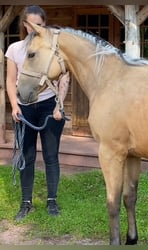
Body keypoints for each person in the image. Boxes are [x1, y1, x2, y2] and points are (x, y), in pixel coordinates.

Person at [5, 5, 70, 221]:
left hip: (48, 105)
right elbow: (10, 80)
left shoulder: (51, 47)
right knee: (27, 156)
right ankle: (26, 203)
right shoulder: (15, 48)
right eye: (30, 24)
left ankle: (52, 201)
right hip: (24, 108)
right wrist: (14, 106)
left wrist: (58, 105)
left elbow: (63, 76)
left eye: (39, 25)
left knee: (51, 156)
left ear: (44, 24)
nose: (34, 28)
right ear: (24, 24)